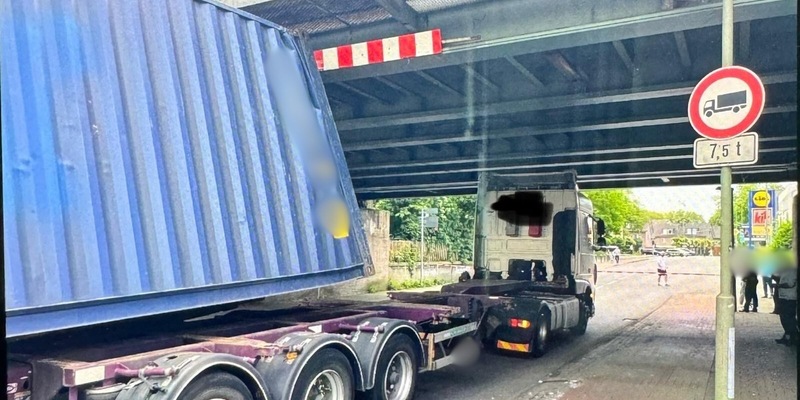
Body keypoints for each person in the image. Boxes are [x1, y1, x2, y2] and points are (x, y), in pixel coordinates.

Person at [775, 267, 797, 346]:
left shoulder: (792, 270)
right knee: (784, 317)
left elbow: (790, 284)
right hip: (784, 296)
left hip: (789, 297)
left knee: (788, 318)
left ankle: (791, 337)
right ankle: (787, 336)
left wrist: (779, 285)